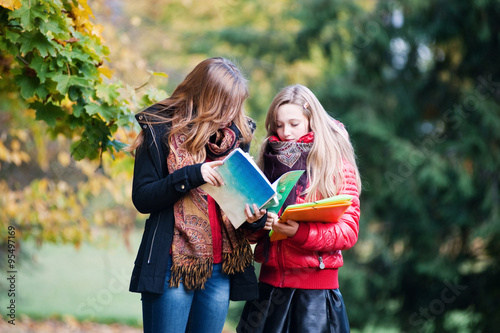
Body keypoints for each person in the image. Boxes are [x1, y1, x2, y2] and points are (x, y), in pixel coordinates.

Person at [128, 57, 266, 333]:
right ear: (205, 97)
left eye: (236, 104)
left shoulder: (238, 136)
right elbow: (142, 198)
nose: (232, 113)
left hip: (220, 270)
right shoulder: (159, 129)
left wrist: (256, 217)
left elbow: (237, 205)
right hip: (172, 266)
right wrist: (193, 175)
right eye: (225, 105)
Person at [237, 84, 362, 333]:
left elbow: (348, 232)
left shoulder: (335, 164)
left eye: (294, 124)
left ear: (311, 120)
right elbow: (254, 237)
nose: (286, 133)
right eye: (279, 125)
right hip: (268, 290)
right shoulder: (267, 161)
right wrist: (254, 221)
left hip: (315, 296)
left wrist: (298, 232)